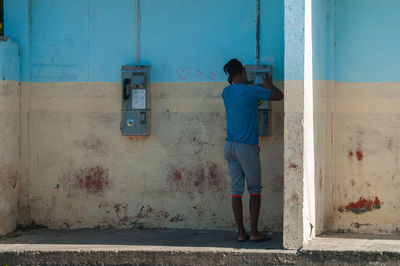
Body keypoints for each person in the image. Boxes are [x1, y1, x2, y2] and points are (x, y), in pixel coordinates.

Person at [222, 59, 283, 242]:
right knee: (255, 189)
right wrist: (268, 84)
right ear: (244, 70)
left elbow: (246, 105)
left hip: (229, 146)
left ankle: (241, 233)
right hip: (246, 146)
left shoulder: (226, 92)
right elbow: (278, 96)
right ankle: (254, 232)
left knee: (236, 190)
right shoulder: (252, 91)